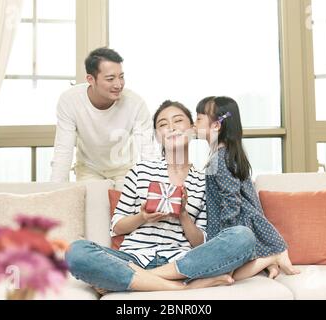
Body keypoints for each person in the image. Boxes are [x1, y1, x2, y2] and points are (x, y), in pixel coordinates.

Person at [65, 100, 256, 292]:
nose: (171, 128)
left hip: (181, 261)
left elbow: (202, 241)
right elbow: (117, 227)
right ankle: (181, 287)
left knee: (243, 236)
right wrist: (142, 217)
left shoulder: (204, 180)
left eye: (178, 121)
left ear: (192, 128)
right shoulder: (140, 171)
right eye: (163, 124)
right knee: (76, 251)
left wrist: (183, 215)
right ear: (157, 136)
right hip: (133, 258)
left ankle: (138, 280)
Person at [192, 96, 300, 280]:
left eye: (199, 118)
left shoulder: (221, 158)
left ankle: (271, 258)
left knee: (225, 274)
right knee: (227, 270)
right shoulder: (223, 155)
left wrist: (227, 237)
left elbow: (231, 200)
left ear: (216, 126)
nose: (194, 123)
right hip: (241, 222)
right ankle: (270, 264)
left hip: (236, 223)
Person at [50, 47, 153, 190]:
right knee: (93, 208)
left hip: (124, 169)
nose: (118, 84)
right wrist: (56, 193)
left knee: (123, 209)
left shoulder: (135, 103)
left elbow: (148, 152)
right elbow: (63, 151)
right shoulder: (70, 100)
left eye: (121, 77)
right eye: (110, 79)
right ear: (90, 79)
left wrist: (153, 190)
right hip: (89, 169)